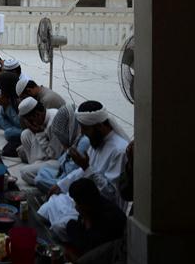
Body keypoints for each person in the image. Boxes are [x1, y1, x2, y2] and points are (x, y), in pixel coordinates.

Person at [37, 101, 129, 236]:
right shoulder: (97, 142)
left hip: (100, 210)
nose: (84, 134)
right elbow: (82, 170)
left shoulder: (119, 150)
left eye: (86, 129)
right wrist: (60, 185)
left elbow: (111, 194)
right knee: (45, 210)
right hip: (82, 201)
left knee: (60, 226)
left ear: (99, 126)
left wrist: (86, 167)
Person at [34, 104, 90, 193]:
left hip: (71, 179)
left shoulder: (85, 141)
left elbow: (71, 170)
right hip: (62, 171)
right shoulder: (79, 135)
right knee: (42, 170)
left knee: (38, 179)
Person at [65, 177, 127, 255]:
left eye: (77, 203)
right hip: (94, 236)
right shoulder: (93, 204)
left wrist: (86, 218)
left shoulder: (109, 216)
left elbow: (93, 243)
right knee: (71, 225)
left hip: (109, 248)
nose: (76, 206)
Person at [17, 97, 63, 185]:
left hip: (59, 159)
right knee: (25, 134)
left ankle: (47, 182)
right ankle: (35, 165)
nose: (30, 124)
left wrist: (39, 133)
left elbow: (54, 155)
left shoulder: (54, 124)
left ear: (37, 115)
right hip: (47, 153)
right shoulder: (45, 115)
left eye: (30, 120)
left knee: (24, 172)